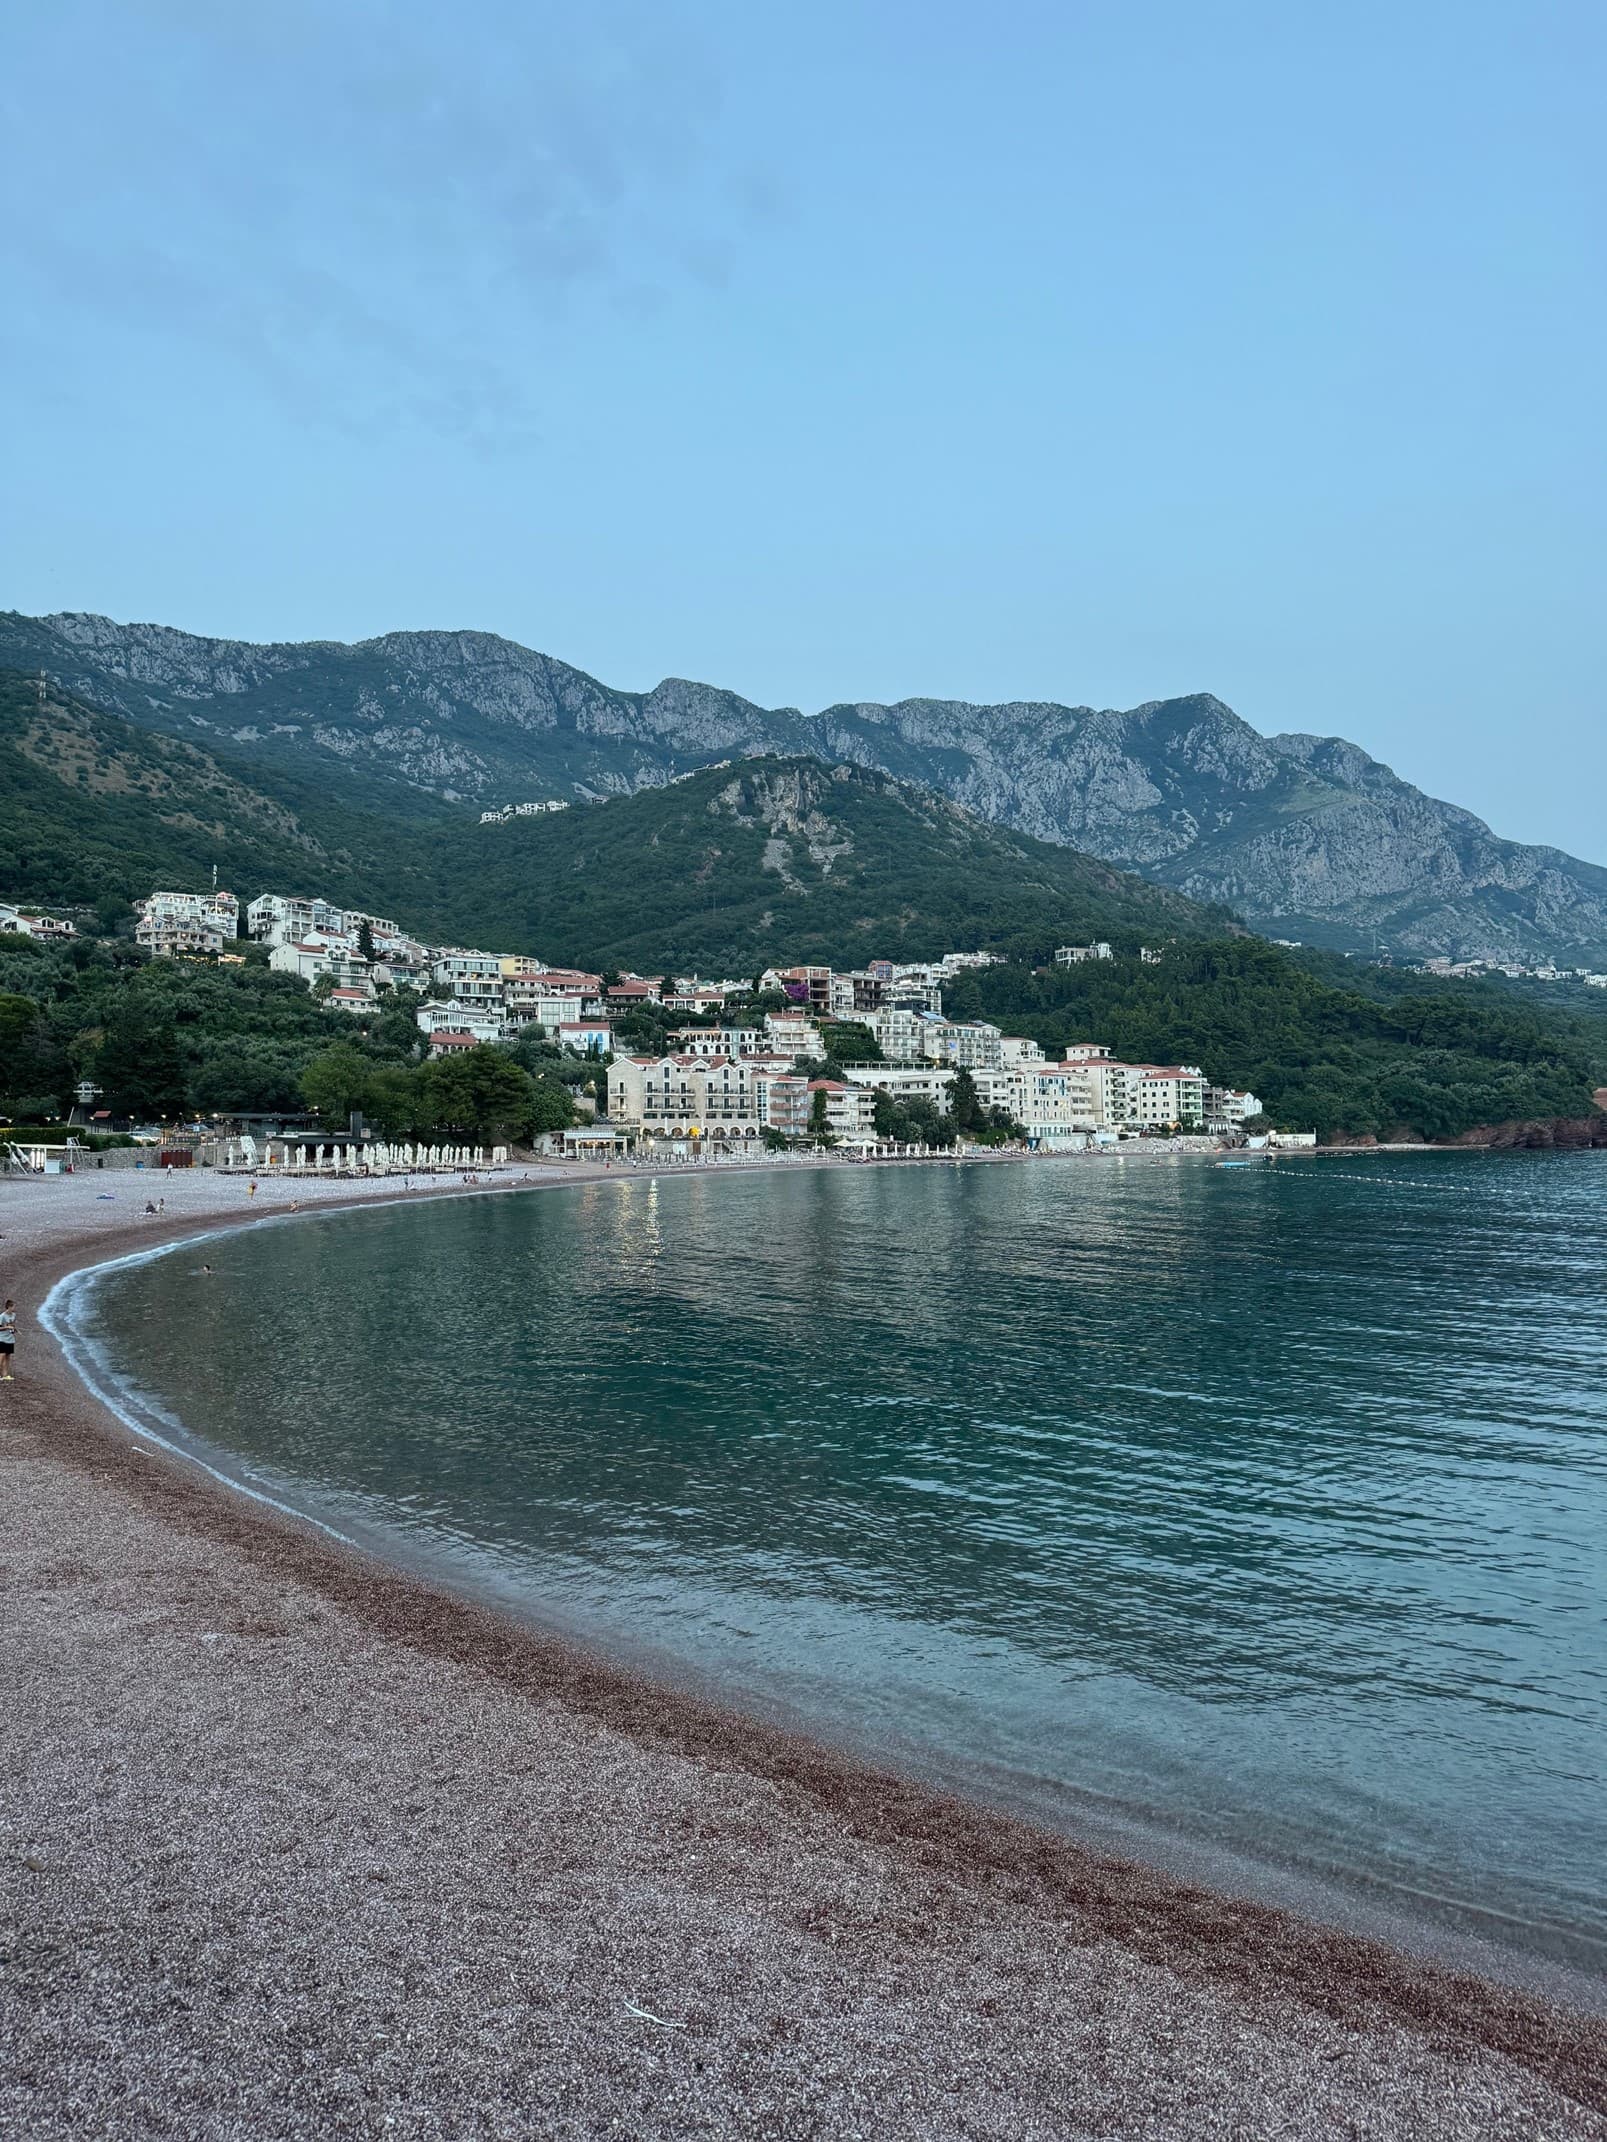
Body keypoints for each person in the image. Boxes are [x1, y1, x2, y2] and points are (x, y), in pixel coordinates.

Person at [0, 1299, 16, 1380]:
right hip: (2, 1338)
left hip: (10, 1338)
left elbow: (12, 1324)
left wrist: (14, 1329)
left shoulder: (14, 1315)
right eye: (13, 1306)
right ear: (9, 1307)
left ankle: (5, 1375)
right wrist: (7, 1327)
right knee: (1, 1356)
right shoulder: (2, 1316)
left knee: (8, 1356)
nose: (14, 1308)